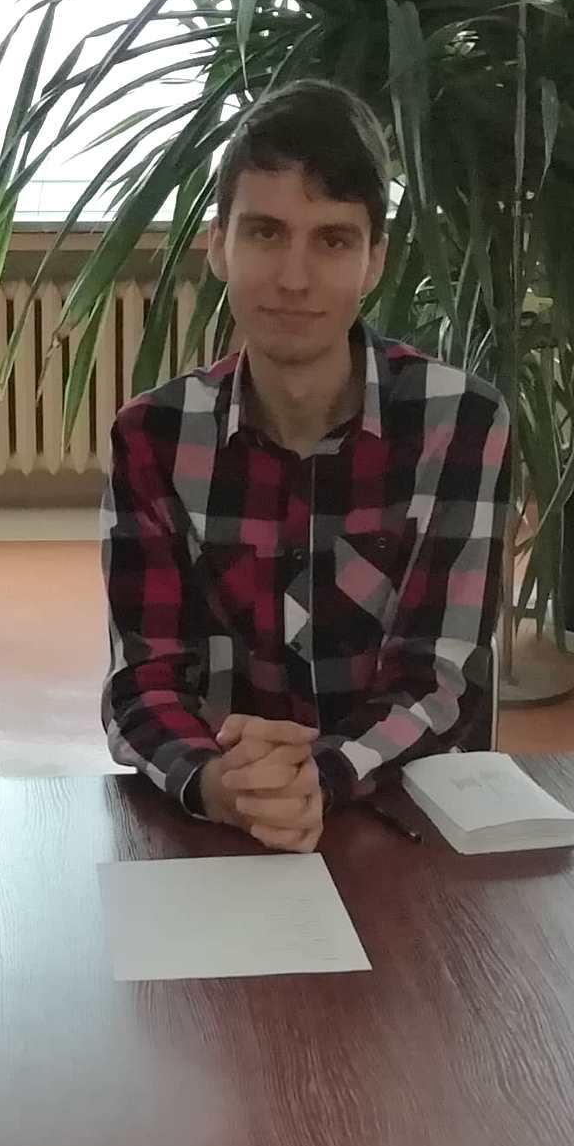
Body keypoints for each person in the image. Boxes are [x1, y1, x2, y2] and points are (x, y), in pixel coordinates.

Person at [101, 80, 509, 852]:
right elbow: (143, 679)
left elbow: (439, 680)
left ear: (375, 260)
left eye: (332, 241)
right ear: (217, 246)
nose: (294, 278)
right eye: (265, 233)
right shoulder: (152, 437)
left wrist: (317, 778)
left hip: (396, 826)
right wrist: (216, 783)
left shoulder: (461, 423)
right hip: (222, 828)